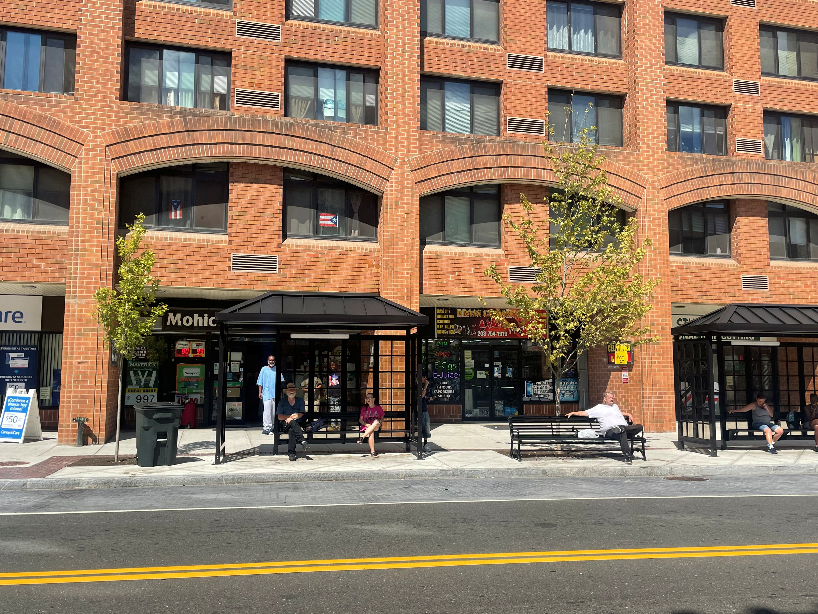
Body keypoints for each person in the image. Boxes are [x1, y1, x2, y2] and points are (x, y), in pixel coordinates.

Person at [566, 391, 642, 463]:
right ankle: (627, 456)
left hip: (624, 429)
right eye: (610, 398)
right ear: (605, 399)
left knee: (639, 427)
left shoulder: (615, 406)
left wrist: (628, 414)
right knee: (622, 433)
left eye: (612, 398)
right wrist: (574, 413)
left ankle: (621, 429)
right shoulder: (599, 408)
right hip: (610, 431)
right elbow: (585, 413)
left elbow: (618, 413)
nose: (612, 399)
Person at [276, 382, 308, 461]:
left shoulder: (300, 401)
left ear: (296, 391)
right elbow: (279, 417)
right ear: (286, 392)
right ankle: (302, 440)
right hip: (284, 424)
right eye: (289, 390)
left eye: (293, 390)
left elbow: (301, 414)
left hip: (297, 423)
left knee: (292, 430)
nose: (291, 391)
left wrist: (293, 418)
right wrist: (289, 417)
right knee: (292, 424)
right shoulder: (282, 402)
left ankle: (292, 453)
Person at [257, 355, 283, 435]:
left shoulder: (277, 369)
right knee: (267, 411)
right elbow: (260, 382)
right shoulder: (263, 369)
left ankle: (272, 427)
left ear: (274, 361)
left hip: (275, 394)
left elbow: (281, 382)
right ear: (268, 361)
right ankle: (266, 428)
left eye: (273, 360)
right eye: (270, 360)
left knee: (273, 412)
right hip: (266, 393)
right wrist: (260, 392)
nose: (271, 361)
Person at [358, 392, 385, 457]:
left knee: (376, 422)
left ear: (374, 399)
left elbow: (382, 418)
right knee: (371, 432)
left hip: (376, 425)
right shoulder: (364, 408)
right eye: (367, 398)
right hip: (367, 426)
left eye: (369, 398)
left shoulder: (378, 408)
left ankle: (363, 437)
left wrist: (379, 422)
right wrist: (366, 424)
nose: (368, 399)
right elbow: (360, 420)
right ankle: (373, 452)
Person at [420, 373, 434, 453]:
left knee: (426, 426)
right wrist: (425, 386)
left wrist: (429, 398)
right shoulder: (417, 387)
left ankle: (425, 444)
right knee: (421, 427)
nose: (425, 379)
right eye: (424, 377)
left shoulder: (425, 387)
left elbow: (424, 397)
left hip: (424, 409)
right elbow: (421, 396)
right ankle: (420, 443)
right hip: (418, 410)